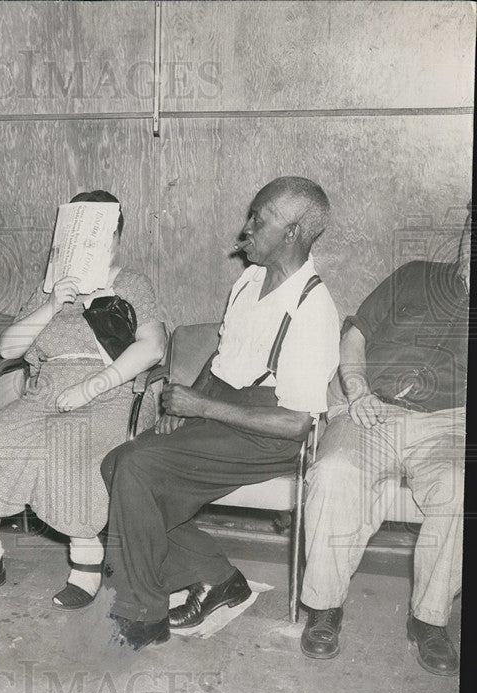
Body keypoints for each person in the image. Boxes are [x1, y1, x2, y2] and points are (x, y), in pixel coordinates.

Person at [99, 176, 340, 650]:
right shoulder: (250, 279)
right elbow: (224, 359)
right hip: (221, 411)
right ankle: (217, 576)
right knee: (115, 465)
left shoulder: (313, 309)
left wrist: (203, 406)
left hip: (267, 433)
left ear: (292, 232)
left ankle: (143, 614)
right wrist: (187, 403)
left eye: (259, 219)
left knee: (136, 468)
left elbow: (296, 424)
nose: (244, 230)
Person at [0, 191, 166, 609]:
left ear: (116, 238)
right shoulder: (49, 289)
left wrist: (92, 387)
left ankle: (86, 565)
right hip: (47, 391)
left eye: (102, 238)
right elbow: (8, 350)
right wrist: (52, 304)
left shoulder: (131, 284)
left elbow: (153, 348)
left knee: (70, 453)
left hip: (113, 393)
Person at [298, 204, 470, 676]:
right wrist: (356, 388)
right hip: (371, 405)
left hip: (451, 424)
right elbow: (356, 333)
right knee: (333, 473)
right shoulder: (416, 274)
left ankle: (429, 620)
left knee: (462, 488)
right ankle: (324, 608)